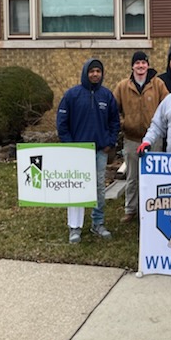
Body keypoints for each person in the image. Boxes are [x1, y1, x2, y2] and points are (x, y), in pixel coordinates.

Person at [57, 58, 120, 243]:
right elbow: (62, 124)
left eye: (98, 71)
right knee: (76, 188)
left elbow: (114, 122)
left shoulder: (106, 96)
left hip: (100, 151)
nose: (95, 74)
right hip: (78, 151)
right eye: (91, 71)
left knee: (99, 188)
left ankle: (97, 223)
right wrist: (71, 145)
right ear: (85, 72)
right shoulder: (72, 95)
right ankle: (75, 227)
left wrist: (109, 142)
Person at [112, 51, 169, 223]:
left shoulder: (158, 84)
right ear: (132, 66)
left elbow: (167, 107)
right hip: (131, 139)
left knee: (154, 177)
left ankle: (152, 209)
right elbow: (114, 110)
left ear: (148, 65)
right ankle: (131, 210)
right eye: (137, 63)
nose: (141, 66)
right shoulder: (123, 86)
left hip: (153, 139)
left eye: (143, 63)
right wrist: (124, 123)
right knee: (132, 177)